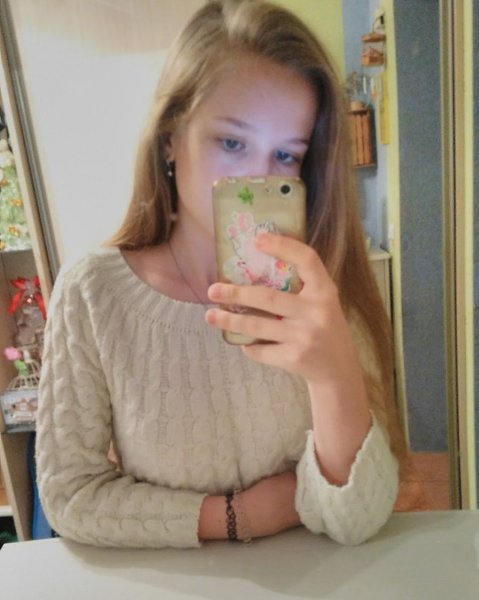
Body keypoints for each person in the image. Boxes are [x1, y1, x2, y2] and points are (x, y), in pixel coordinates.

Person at [36, 0, 405, 548]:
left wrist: (334, 376)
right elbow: (71, 495)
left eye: (286, 156)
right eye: (232, 143)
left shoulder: (322, 287)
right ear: (170, 137)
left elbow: (359, 521)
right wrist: (239, 515)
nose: (257, 180)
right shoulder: (92, 294)